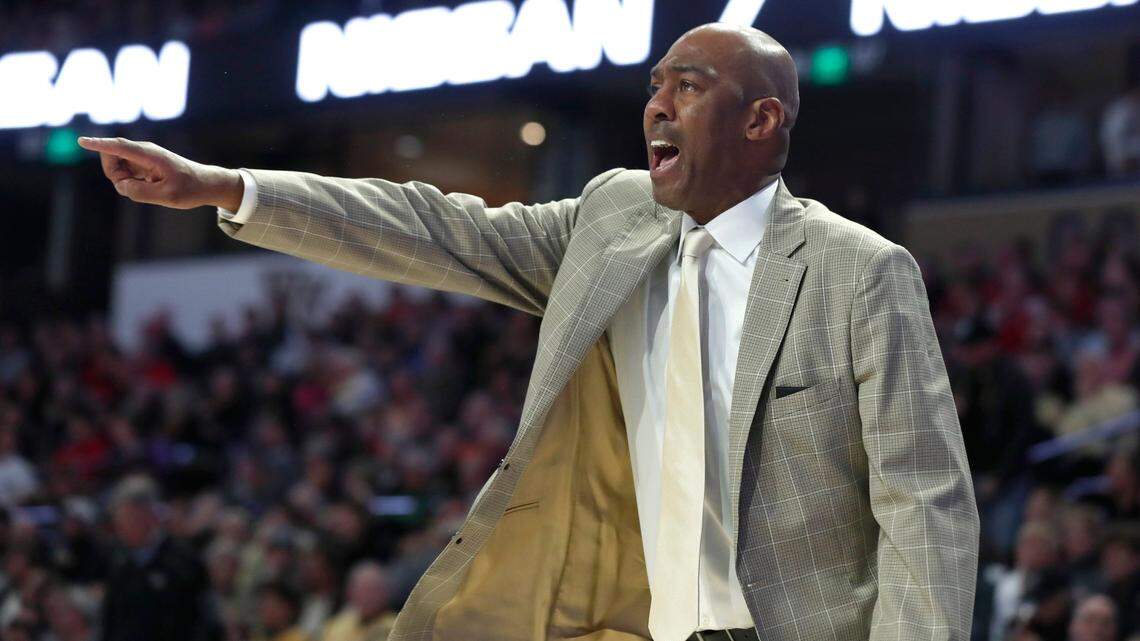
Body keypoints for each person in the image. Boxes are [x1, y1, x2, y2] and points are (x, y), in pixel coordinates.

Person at [80, 22, 979, 641]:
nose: (656, 107)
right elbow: (434, 226)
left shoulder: (859, 270)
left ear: (761, 119)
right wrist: (226, 187)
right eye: (654, 87)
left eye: (689, 88)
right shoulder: (613, 216)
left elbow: (924, 500)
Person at [101, 475, 220, 641]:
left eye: (127, 519)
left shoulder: (183, 558)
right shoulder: (118, 561)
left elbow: (205, 617)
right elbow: (111, 620)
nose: (120, 528)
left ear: (146, 516)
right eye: (119, 521)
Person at [320, 562, 397, 641]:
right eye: (362, 590)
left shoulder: (398, 627)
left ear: (385, 593)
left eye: (373, 590)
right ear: (350, 593)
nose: (367, 597)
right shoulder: (335, 626)